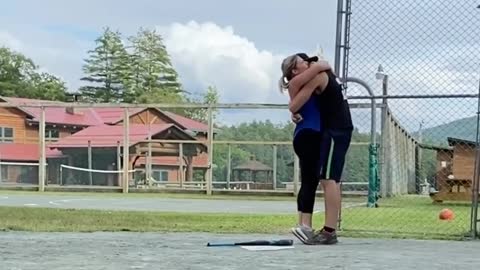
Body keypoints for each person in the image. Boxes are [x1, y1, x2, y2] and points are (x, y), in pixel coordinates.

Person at [288, 52, 354, 245]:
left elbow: (293, 102)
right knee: (328, 179)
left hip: (336, 130)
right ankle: (328, 230)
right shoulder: (323, 73)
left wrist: (316, 67)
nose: (309, 64)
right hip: (336, 129)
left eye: (310, 62)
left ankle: (329, 231)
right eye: (306, 62)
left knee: (328, 179)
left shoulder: (318, 75)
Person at [279, 54, 333, 245]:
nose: (309, 64)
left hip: (304, 134)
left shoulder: (302, 81)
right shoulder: (301, 81)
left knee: (307, 180)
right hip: (310, 133)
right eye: (304, 63)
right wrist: (318, 66)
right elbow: (323, 65)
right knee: (310, 181)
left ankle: (302, 222)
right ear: (294, 70)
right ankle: (306, 226)